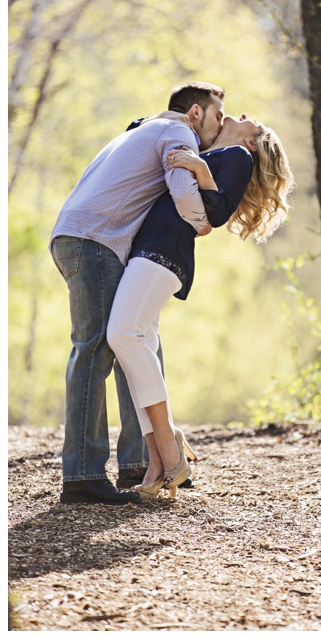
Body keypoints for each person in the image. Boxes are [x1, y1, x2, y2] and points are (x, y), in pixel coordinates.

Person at [50, 82, 224, 505]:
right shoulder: (178, 133)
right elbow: (184, 192)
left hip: (81, 235)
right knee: (95, 348)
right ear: (196, 112)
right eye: (219, 115)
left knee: (130, 342)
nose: (221, 125)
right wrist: (204, 222)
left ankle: (136, 461)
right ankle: (83, 475)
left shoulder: (137, 130)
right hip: (97, 240)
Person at [107, 114, 294, 499]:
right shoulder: (204, 148)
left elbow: (219, 211)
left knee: (122, 335)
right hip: (149, 252)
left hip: (164, 254)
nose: (243, 116)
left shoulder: (237, 156)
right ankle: (160, 460)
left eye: (253, 122)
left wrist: (200, 168)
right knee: (137, 346)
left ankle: (169, 444)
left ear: (253, 143)